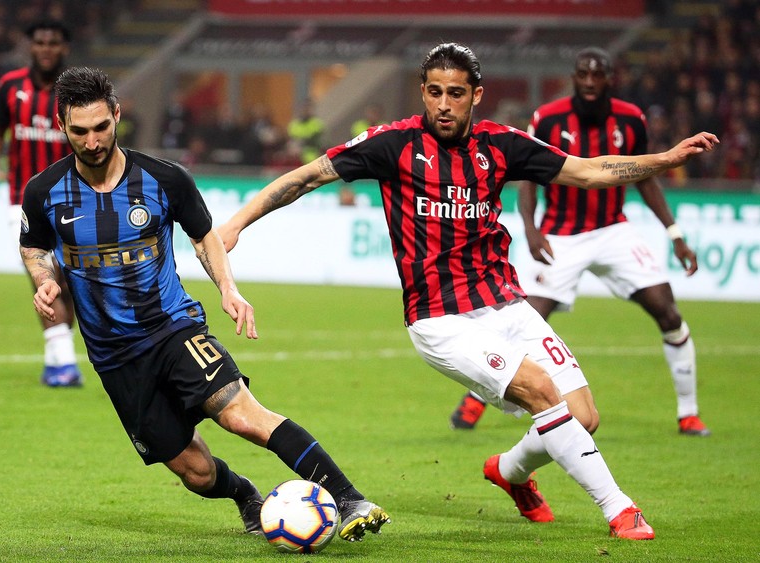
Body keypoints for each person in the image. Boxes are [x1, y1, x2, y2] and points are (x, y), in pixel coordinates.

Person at [218, 43, 719, 540]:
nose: (443, 104)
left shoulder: (501, 145)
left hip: (505, 303)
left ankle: (509, 471)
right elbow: (307, 177)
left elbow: (586, 171)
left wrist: (666, 158)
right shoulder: (392, 145)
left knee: (583, 417)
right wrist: (237, 223)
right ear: (423, 91)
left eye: (455, 93)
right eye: (434, 92)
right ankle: (621, 510)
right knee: (544, 393)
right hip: (440, 318)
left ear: (475, 95)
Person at [19, 66, 390, 543]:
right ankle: (246, 497)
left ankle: (349, 498)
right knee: (194, 471)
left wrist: (228, 289)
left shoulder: (164, 179)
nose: (92, 142)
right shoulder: (44, 192)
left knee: (242, 415)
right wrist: (45, 279)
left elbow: (205, 239)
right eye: (80, 131)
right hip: (115, 358)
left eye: (101, 128)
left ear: (116, 115)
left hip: (173, 329)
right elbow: (34, 247)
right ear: (61, 125)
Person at [449, 47, 711, 437]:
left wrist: (674, 234)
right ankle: (475, 398)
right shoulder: (548, 118)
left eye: (597, 74)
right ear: (574, 77)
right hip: (560, 234)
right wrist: (531, 227)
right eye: (582, 74)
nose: (589, 81)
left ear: (610, 78)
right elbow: (527, 175)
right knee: (524, 317)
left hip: (613, 229)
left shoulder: (630, 119)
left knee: (667, 312)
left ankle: (688, 413)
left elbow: (645, 177)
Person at [0, 20, 81, 387]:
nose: (46, 48)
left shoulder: (77, 90)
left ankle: (56, 358)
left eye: (53, 42)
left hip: (73, 199)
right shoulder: (10, 86)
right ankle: (63, 362)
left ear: (64, 48)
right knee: (43, 278)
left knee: (71, 286)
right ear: (30, 47)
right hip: (22, 200)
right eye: (39, 42)